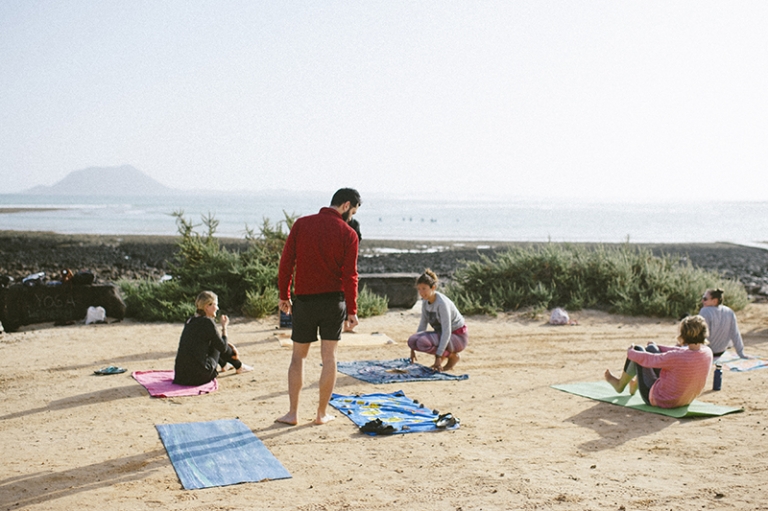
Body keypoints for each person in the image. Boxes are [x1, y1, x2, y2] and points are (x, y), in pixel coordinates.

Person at [276, 188, 361, 425]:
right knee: (329, 357)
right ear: (346, 205)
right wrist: (352, 310)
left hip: (304, 301)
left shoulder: (302, 224)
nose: (351, 217)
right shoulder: (348, 233)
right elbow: (350, 275)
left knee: (298, 357)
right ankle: (321, 414)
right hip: (334, 302)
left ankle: (293, 414)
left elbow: (286, 262)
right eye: (352, 212)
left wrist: (284, 294)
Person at [604, 315, 713, 408]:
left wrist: (630, 352)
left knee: (638, 350)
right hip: (685, 400)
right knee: (651, 349)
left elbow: (650, 360)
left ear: (683, 336)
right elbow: (679, 351)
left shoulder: (676, 357)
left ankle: (620, 385)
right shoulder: (707, 352)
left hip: (660, 400)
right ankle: (634, 386)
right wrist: (656, 346)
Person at [173, 291, 253, 386]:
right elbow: (222, 347)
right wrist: (224, 328)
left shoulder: (189, 320)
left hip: (181, 376)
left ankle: (225, 365)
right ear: (207, 306)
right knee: (216, 344)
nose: (217, 308)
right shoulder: (207, 322)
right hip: (198, 377)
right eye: (216, 305)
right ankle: (238, 365)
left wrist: (227, 346)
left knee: (212, 341)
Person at [408, 269, 468, 372]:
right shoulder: (425, 302)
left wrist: (438, 357)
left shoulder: (442, 304)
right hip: (443, 335)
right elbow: (422, 325)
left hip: (457, 337)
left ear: (433, 288)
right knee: (412, 340)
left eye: (424, 289)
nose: (421, 292)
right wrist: (413, 349)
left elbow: (447, 330)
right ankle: (445, 353)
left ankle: (452, 356)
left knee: (423, 342)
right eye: (419, 289)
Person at [699, 288, 748, 359]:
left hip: (708, 352)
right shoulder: (729, 311)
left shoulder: (705, 311)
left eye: (705, 299)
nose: (702, 301)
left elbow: (703, 334)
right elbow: (735, 334)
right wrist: (740, 353)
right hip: (722, 351)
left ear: (714, 301)